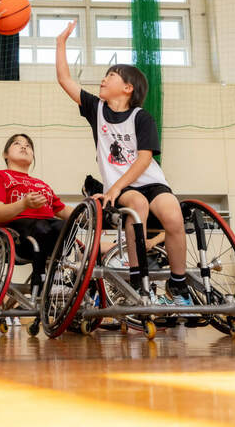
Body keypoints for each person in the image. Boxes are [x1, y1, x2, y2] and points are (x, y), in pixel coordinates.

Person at [54, 20, 190, 307]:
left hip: (149, 180)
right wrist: (61, 43)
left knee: (174, 215)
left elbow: (144, 158)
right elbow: (65, 80)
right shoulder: (96, 109)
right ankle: (137, 278)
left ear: (128, 88)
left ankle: (178, 284)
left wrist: (116, 186)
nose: (103, 79)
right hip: (123, 187)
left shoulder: (142, 117)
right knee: (137, 205)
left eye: (110, 75)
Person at [0, 133, 72, 274]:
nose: (24, 146)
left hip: (48, 232)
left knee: (66, 226)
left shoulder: (42, 185)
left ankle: (57, 275)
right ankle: (41, 278)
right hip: (16, 237)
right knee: (43, 227)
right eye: (17, 143)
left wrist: (91, 213)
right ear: (5, 154)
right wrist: (23, 204)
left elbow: (64, 211)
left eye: (28, 145)